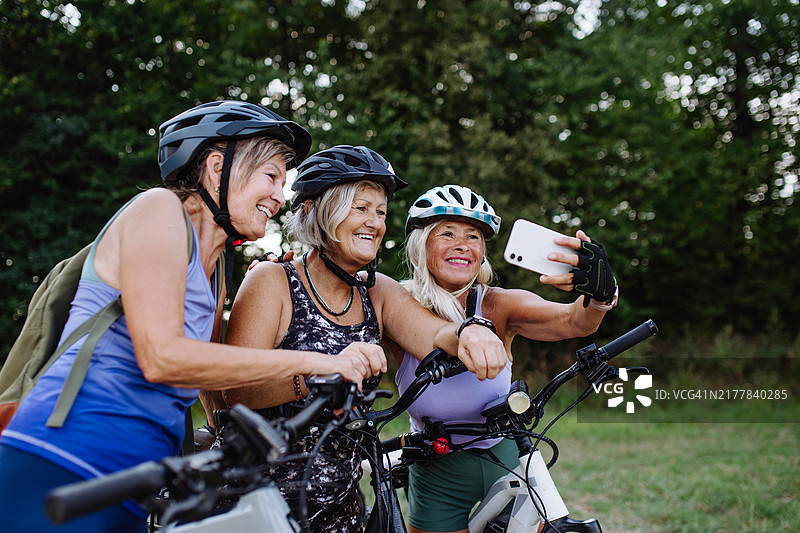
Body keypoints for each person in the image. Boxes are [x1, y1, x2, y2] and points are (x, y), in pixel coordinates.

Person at [0, 102, 385, 533]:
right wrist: (314, 362)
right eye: (271, 177)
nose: (280, 197)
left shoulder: (218, 264)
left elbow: (214, 377)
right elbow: (162, 357)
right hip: (63, 463)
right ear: (217, 167)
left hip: (138, 480)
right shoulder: (159, 210)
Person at [209, 147, 507, 532]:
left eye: (381, 212)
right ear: (317, 211)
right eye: (360, 208)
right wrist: (321, 373)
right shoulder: (273, 281)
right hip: (255, 506)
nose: (375, 222)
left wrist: (471, 330)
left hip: (340, 506)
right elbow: (238, 390)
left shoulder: (375, 290)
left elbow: (433, 334)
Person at [390, 184, 619, 533]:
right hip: (436, 467)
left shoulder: (498, 304)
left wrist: (600, 295)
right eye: (446, 233)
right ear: (422, 245)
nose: (462, 245)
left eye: (473, 236)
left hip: (505, 455)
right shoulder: (397, 309)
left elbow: (574, 321)